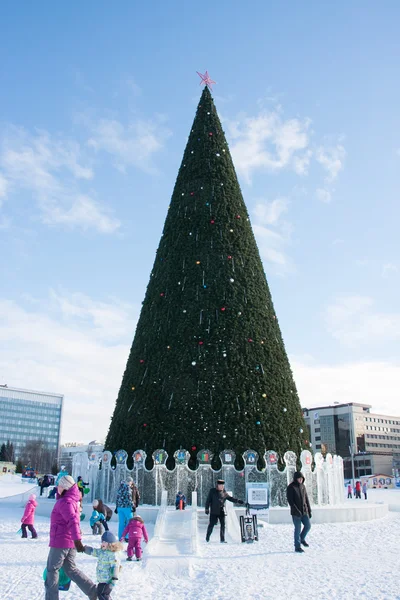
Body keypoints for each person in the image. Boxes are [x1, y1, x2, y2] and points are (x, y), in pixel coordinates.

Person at [44, 474, 97, 600]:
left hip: (61, 541)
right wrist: (76, 539)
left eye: (60, 485)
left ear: (65, 487)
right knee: (71, 569)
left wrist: (77, 540)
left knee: (52, 570)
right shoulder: (73, 501)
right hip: (69, 542)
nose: (58, 487)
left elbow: (73, 520)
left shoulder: (65, 502)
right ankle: (93, 591)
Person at [83, 531, 123, 600]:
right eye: (102, 541)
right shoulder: (101, 552)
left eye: (104, 542)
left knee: (102, 595)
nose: (102, 543)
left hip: (108, 581)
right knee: (102, 595)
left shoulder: (112, 555)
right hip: (101, 580)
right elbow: (93, 551)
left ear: (110, 543)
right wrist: (83, 548)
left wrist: (113, 580)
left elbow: (115, 567)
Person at [205, 479, 245, 543]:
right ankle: (207, 538)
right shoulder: (212, 491)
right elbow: (208, 500)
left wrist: (238, 501)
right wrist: (206, 509)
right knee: (211, 525)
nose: (222, 486)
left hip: (221, 511)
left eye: (222, 485)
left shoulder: (224, 492)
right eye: (220, 485)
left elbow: (231, 498)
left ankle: (222, 539)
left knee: (223, 525)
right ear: (217, 485)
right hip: (214, 511)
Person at [286, 471, 312, 553]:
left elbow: (306, 499)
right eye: (299, 478)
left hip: (304, 511)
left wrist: (309, 510)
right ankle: (297, 546)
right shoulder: (291, 487)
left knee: (308, 526)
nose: (300, 480)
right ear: (296, 479)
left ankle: (301, 538)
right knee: (297, 528)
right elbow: (291, 501)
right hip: (296, 513)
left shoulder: (302, 486)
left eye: (301, 478)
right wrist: (296, 510)